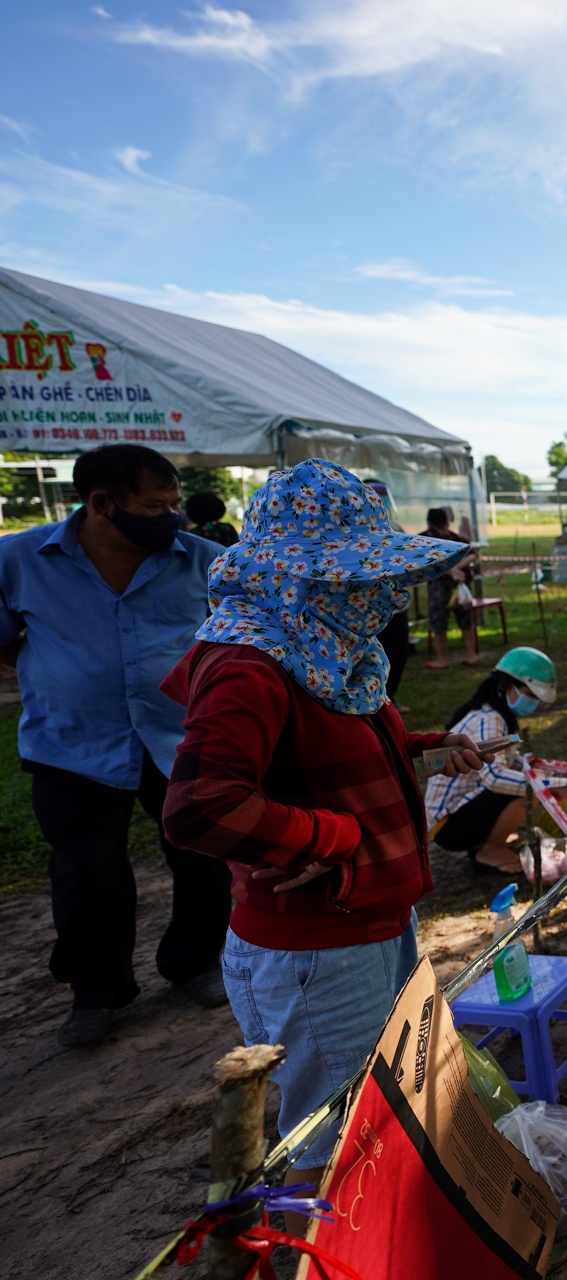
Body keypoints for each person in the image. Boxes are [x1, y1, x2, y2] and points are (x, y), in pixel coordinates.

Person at [161, 458, 489, 1176]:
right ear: (302, 578)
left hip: (371, 922)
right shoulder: (248, 663)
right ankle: (323, 1238)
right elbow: (200, 807)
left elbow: (326, 750)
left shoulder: (323, 649)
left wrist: (424, 746)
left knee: (383, 1111)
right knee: (336, 1139)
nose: (383, 597)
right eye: (360, 580)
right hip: (317, 949)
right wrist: (330, 836)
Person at [0, 444, 232, 1048]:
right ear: (102, 503)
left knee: (204, 855)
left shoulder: (207, 561)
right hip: (70, 744)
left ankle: (196, 961)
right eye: (155, 507)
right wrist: (60, 677)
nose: (171, 518)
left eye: (174, 505)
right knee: (86, 869)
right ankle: (95, 991)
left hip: (182, 737)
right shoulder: (19, 560)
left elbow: (241, 638)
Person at [425, 648, 567, 873]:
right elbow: (495, 777)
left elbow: (508, 761)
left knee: (531, 782)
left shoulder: (494, 715)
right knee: (529, 791)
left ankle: (487, 841)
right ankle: (489, 849)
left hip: (455, 816)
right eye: (530, 695)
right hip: (449, 827)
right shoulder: (489, 721)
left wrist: (552, 776)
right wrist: (552, 785)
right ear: (508, 687)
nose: (534, 702)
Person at [362, 479, 411, 710]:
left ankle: (390, 698)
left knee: (398, 651)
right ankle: (374, 700)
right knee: (371, 654)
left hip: (396, 606)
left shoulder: (396, 528)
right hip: (367, 608)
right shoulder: (356, 530)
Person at [422, 506, 479, 668]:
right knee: (465, 618)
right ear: (446, 521)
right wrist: (457, 569)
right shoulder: (455, 537)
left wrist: (450, 570)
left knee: (439, 621)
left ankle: (442, 659)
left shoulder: (425, 538)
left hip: (439, 585)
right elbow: (472, 555)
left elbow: (429, 560)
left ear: (429, 521)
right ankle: (472, 656)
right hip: (460, 584)